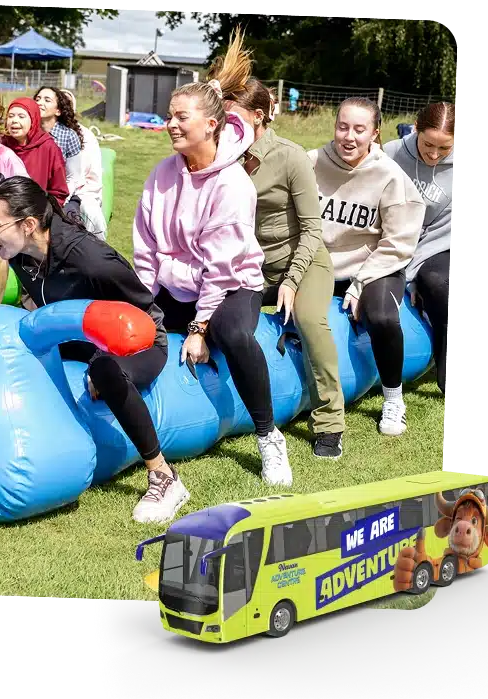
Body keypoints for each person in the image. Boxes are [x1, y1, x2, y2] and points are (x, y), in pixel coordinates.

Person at [0, 175, 187, 525]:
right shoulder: (21, 253)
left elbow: (140, 315)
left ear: (28, 224)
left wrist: (102, 357)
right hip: (78, 339)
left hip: (136, 339)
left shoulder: (90, 260)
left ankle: (164, 476)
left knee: (105, 371)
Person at [132, 40, 292, 487]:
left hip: (232, 284)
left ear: (212, 124)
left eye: (181, 117)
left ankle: (268, 436)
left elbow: (220, 269)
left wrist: (201, 329)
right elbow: (145, 248)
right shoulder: (161, 174)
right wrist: (141, 304)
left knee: (233, 334)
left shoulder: (233, 184)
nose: (170, 125)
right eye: (169, 116)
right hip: (174, 281)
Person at [214, 29, 346, 459]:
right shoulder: (219, 157)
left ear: (257, 115)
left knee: (310, 320)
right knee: (226, 326)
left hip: (302, 260)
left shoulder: (289, 156)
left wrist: (291, 280)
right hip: (250, 268)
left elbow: (313, 229)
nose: (227, 125)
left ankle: (330, 419)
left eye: (235, 116)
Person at [308, 97, 425, 437]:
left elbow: (398, 243)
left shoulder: (390, 176)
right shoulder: (311, 162)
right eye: (343, 127)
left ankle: (393, 398)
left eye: (360, 130)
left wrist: (361, 283)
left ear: (374, 133)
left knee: (383, 317)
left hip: (374, 263)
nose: (349, 136)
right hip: (320, 264)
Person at [384, 102, 454, 394]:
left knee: (440, 285)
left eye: (445, 148)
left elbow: (441, 231)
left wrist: (410, 276)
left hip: (437, 245)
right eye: (428, 145)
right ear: (415, 128)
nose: (434, 155)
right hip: (388, 243)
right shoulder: (390, 154)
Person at [0, 97, 69, 206]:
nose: (14, 120)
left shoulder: (48, 147)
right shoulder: (1, 145)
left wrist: (43, 210)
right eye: (10, 116)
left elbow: (59, 191)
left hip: (38, 209)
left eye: (21, 116)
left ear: (33, 120)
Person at [59, 88, 107, 238]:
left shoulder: (86, 136)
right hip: (52, 191)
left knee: (90, 211)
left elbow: (92, 176)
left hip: (82, 191)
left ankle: (99, 247)